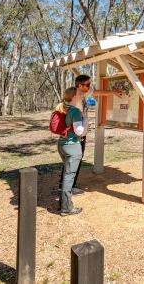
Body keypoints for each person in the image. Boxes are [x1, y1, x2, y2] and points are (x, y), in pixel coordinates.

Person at [68, 74, 122, 194]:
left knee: (75, 160)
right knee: (74, 160)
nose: (89, 87)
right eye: (87, 85)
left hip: (80, 133)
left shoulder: (83, 94)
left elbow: (98, 92)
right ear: (79, 85)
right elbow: (73, 119)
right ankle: (69, 188)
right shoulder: (75, 99)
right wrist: (80, 133)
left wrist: (113, 92)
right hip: (76, 134)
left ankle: (68, 185)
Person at [55, 87, 85, 216]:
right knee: (69, 177)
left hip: (62, 144)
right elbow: (79, 131)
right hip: (72, 146)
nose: (80, 95)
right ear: (73, 97)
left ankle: (63, 204)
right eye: (78, 94)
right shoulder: (75, 111)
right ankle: (66, 208)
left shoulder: (62, 108)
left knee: (67, 175)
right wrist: (85, 119)